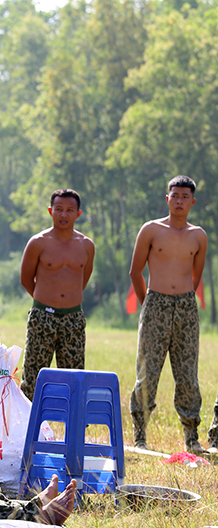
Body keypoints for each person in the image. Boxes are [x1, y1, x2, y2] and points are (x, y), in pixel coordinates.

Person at [129, 175, 208, 454]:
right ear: (167, 198)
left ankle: (191, 436)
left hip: (186, 307)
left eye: (185, 197)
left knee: (187, 374)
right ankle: (140, 434)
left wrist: (182, 301)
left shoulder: (198, 235)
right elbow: (135, 271)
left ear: (192, 202)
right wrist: (149, 303)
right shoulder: (151, 230)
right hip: (155, 304)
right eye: (175, 195)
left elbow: (195, 277)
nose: (179, 201)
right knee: (147, 373)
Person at [19, 189, 95, 401]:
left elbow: (83, 279)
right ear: (51, 211)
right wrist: (47, 302)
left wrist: (67, 301)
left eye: (69, 210)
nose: (64, 215)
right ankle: (28, 429)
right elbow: (26, 279)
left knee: (75, 377)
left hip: (73, 318)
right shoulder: (38, 242)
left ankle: (75, 429)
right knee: (33, 377)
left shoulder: (86, 245)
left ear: (78, 214)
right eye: (59, 209)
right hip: (43, 316)